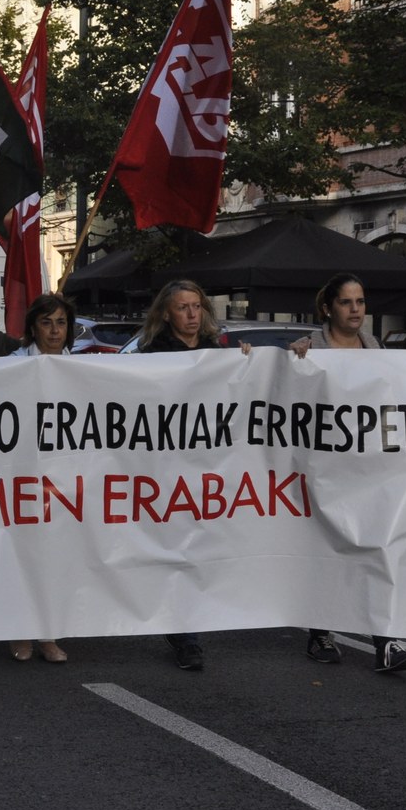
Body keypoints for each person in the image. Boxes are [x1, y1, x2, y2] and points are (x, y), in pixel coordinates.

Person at [293, 273, 406, 674]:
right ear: (328, 308)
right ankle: (320, 633)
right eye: (346, 302)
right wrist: (295, 358)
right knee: (325, 550)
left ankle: (385, 641)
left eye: (360, 302)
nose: (356, 310)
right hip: (325, 474)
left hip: (372, 472)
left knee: (379, 548)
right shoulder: (312, 350)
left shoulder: (379, 351)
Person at [136, 279, 249, 672]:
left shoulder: (219, 354)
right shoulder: (151, 356)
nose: (190, 314)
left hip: (208, 470)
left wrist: (248, 365)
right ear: (166, 313)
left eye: (196, 307)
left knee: (199, 548)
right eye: (182, 307)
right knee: (175, 546)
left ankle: (185, 625)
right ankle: (185, 635)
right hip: (167, 470)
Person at [6, 293, 77, 664]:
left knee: (55, 556)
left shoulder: (81, 368)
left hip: (63, 478)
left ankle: (48, 634)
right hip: (22, 474)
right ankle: (19, 629)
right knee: (24, 553)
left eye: (61, 322)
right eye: (47, 322)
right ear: (33, 326)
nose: (54, 330)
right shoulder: (13, 365)